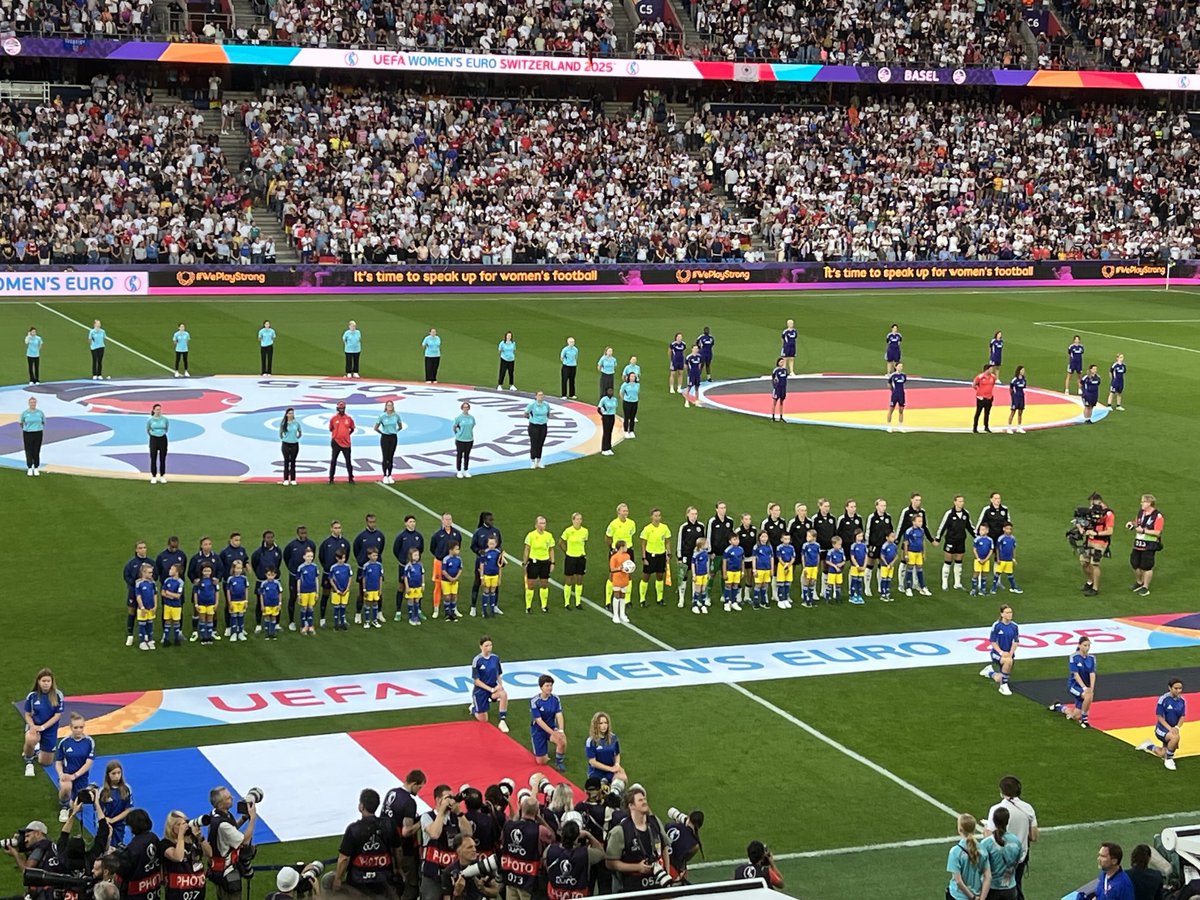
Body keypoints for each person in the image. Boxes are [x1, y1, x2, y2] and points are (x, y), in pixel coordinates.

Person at [983, 776, 1038, 900]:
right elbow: (1034, 836)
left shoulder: (996, 809)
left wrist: (986, 828)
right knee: (1016, 886)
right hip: (1019, 857)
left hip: (998, 857)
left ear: (1002, 791)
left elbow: (990, 838)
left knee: (995, 889)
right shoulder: (1028, 809)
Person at [606, 787, 669, 892]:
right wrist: (637, 867)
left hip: (658, 883)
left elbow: (665, 847)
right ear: (631, 806)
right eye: (640, 800)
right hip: (633, 887)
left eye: (645, 799)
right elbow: (610, 863)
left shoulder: (655, 822)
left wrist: (666, 873)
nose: (644, 802)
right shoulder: (620, 831)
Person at [335, 789, 393, 896]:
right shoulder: (388, 825)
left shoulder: (353, 829)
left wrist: (338, 879)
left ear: (361, 806)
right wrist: (398, 869)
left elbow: (344, 858)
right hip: (383, 878)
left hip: (358, 881)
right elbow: (397, 850)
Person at [207, 785, 258, 900]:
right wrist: (253, 819)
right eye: (228, 798)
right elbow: (245, 841)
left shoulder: (217, 814)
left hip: (218, 869)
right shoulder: (223, 824)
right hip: (227, 871)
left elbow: (233, 829)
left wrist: (244, 818)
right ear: (220, 803)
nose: (233, 798)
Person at [383, 770, 427, 900]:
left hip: (387, 846)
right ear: (414, 783)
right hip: (405, 851)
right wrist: (422, 822)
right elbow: (406, 831)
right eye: (419, 787)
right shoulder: (409, 802)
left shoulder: (392, 792)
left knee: (392, 884)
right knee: (410, 886)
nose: (419, 791)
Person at [1137, 677, 1186, 771]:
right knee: (1175, 738)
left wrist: (1177, 727)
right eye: (1176, 688)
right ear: (1170, 688)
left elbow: (1182, 716)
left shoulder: (1182, 701)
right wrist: (1170, 728)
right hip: (1161, 729)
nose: (1179, 691)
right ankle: (1169, 759)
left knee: (1162, 753)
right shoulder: (1163, 699)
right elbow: (1159, 716)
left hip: (1172, 729)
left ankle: (1148, 745)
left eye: (1180, 688)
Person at [162, 810, 212, 900]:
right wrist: (180, 835)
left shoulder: (193, 839)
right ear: (171, 828)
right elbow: (179, 857)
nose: (184, 826)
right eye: (179, 825)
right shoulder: (166, 844)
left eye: (185, 822)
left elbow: (209, 854)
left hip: (197, 891)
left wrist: (200, 837)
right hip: (177, 894)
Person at [22, 668, 63, 778]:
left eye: (48, 681)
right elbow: (27, 714)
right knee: (30, 739)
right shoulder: (32, 696)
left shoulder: (58, 695)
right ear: (38, 682)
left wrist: (43, 727)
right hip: (35, 727)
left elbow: (57, 715)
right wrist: (33, 726)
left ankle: (36, 749)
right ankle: (29, 761)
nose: (46, 684)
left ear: (52, 682)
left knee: (46, 762)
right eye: (43, 681)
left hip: (49, 729)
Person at [54, 713, 95, 822]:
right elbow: (58, 762)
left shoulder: (89, 742)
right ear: (71, 728)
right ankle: (64, 806)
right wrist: (61, 774)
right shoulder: (64, 742)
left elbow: (88, 763)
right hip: (67, 775)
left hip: (81, 777)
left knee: (78, 808)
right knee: (66, 787)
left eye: (81, 727)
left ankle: (72, 800)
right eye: (76, 727)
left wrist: (75, 775)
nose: (78, 730)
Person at [1052, 637, 1096, 728]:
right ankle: (1084, 719)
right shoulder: (1074, 657)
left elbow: (1092, 674)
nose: (1087, 648)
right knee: (1088, 696)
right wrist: (1084, 688)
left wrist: (1091, 688)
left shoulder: (1092, 658)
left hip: (1084, 687)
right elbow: (1076, 675)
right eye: (1085, 645)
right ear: (1079, 645)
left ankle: (1059, 707)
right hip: (1074, 686)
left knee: (1075, 715)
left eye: (1088, 645)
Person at [947, 813, 991, 900]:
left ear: (960, 829)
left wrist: (972, 897)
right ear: (974, 829)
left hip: (958, 896)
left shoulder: (955, 851)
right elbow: (988, 877)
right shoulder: (982, 849)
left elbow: (958, 881)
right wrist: (981, 898)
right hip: (977, 893)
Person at [980, 806, 1021, 900]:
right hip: (1010, 887)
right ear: (1007, 821)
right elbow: (1017, 862)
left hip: (992, 888)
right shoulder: (1016, 841)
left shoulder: (987, 843)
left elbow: (981, 866)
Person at [471, 636, 509, 732]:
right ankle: (474, 709)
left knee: (503, 694)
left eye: (490, 645)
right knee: (484, 720)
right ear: (481, 647)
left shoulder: (495, 658)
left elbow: (498, 674)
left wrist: (500, 685)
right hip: (481, 690)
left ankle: (502, 721)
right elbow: (476, 681)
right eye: (486, 645)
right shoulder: (477, 660)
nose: (489, 647)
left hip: (493, 687)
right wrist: (490, 689)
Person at [936, 495, 974, 592]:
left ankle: (957, 583)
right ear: (955, 502)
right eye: (959, 501)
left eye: (962, 501)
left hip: (961, 541)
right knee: (948, 561)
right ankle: (944, 583)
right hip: (950, 541)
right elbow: (942, 526)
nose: (961, 503)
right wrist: (938, 538)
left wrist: (977, 537)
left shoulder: (966, 514)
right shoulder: (949, 514)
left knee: (959, 562)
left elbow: (970, 527)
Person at [1129, 494, 1164, 597]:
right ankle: (1139, 582)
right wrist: (1132, 524)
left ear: (1149, 503)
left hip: (1150, 544)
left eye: (1143, 501)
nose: (1141, 503)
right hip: (1138, 543)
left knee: (1147, 566)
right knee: (1135, 563)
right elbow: (1137, 523)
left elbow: (1158, 532)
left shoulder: (1157, 516)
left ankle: (1145, 587)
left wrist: (1144, 531)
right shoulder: (1141, 512)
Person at [1080, 492, 1114, 597]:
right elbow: (1085, 522)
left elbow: (1110, 531)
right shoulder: (1092, 511)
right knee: (1084, 562)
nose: (1090, 506)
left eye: (1092, 503)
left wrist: (1096, 533)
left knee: (1095, 564)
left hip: (1100, 543)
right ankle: (1090, 581)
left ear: (1099, 502)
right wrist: (1080, 527)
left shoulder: (1108, 514)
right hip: (1089, 541)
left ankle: (1095, 588)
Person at [980, 603, 1018, 696]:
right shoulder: (997, 626)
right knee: (1008, 662)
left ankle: (989, 672)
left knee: (999, 677)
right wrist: (1001, 652)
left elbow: (1016, 641)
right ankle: (1003, 686)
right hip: (997, 654)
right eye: (1007, 612)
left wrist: (1010, 653)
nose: (1010, 614)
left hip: (1008, 654)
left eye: (1011, 612)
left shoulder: (1014, 626)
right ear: (1002, 614)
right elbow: (993, 641)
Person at [431, 514, 464, 619]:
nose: (448, 521)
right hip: (439, 562)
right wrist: (440, 556)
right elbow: (432, 548)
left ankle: (454, 608)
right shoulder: (437, 534)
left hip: (453, 562)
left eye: (450, 519)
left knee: (453, 585)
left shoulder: (456, 534)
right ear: (442, 520)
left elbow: (459, 546)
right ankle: (436, 608)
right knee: (438, 586)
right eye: (446, 519)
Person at [283, 526, 316, 631]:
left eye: (305, 533)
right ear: (297, 534)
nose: (303, 535)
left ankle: (306, 620)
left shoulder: (311, 544)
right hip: (294, 576)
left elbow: (312, 556)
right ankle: (291, 621)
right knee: (293, 597)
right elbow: (286, 557)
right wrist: (291, 568)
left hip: (307, 577)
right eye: (301, 533)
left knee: (307, 598)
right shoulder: (291, 545)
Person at [531, 674, 567, 770]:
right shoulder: (535, 701)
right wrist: (553, 733)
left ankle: (559, 762)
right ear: (541, 687)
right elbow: (539, 721)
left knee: (562, 741)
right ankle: (543, 752)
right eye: (547, 686)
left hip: (551, 727)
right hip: (538, 731)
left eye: (551, 686)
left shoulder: (555, 699)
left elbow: (559, 714)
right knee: (541, 762)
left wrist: (561, 731)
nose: (550, 688)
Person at [393, 517, 426, 622]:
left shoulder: (418, 536)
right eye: (410, 522)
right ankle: (398, 611)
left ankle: (418, 610)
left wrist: (416, 559)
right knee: (402, 587)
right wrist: (402, 560)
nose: (412, 524)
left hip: (416, 566)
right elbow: (395, 550)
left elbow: (421, 549)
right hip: (404, 566)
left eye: (414, 521)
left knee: (417, 587)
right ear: (406, 523)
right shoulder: (401, 536)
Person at [639, 508, 671, 608]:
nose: (657, 518)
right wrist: (644, 558)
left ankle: (660, 598)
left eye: (659, 515)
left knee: (660, 576)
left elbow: (667, 541)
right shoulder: (647, 529)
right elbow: (643, 544)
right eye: (655, 516)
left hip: (661, 555)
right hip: (650, 555)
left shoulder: (664, 528)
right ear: (651, 517)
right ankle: (642, 599)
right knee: (646, 576)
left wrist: (668, 552)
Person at [675, 507, 707, 609]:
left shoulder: (701, 526)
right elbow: (680, 541)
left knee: (696, 577)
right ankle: (681, 598)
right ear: (687, 515)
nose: (694, 516)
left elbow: (703, 541)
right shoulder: (684, 527)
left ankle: (695, 598)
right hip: (686, 554)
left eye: (696, 514)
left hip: (697, 555)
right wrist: (679, 556)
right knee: (683, 576)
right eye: (692, 514)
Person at [98, 761, 134, 848]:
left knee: (117, 847)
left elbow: (128, 809)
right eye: (113, 773)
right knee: (104, 846)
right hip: (105, 824)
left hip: (119, 824)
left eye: (119, 773)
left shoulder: (126, 789)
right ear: (108, 775)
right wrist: (104, 821)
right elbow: (98, 809)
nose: (117, 776)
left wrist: (113, 820)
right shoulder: (103, 791)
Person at [523, 517, 555, 613]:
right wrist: (525, 562)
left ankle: (544, 606)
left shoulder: (549, 536)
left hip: (545, 562)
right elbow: (527, 549)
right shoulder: (531, 535)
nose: (543, 525)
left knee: (544, 583)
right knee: (531, 584)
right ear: (536, 524)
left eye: (544, 523)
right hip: (533, 562)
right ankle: (528, 606)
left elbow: (551, 550)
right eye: (541, 523)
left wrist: (552, 562)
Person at [585, 712, 626, 784]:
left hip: (611, 770)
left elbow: (617, 753)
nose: (604, 726)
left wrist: (617, 764)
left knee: (623, 778)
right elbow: (592, 762)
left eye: (605, 723)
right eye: (601, 723)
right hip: (596, 772)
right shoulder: (591, 741)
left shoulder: (613, 738)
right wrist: (610, 769)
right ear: (595, 725)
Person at [560, 512, 588, 610]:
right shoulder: (568, 531)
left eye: (580, 519)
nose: (579, 521)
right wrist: (567, 552)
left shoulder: (585, 531)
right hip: (570, 558)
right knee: (569, 580)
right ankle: (567, 603)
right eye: (577, 519)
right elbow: (561, 542)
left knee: (579, 579)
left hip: (580, 558)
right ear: (573, 520)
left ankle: (578, 602)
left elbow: (584, 542)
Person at [902, 513, 932, 596]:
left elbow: (923, 542)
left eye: (921, 521)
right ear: (913, 522)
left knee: (920, 569)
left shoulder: (922, 530)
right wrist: (906, 555)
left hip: (918, 553)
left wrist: (924, 553)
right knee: (910, 569)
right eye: (919, 521)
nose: (921, 523)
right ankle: (908, 588)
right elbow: (905, 543)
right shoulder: (909, 531)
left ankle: (922, 587)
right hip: (911, 552)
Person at [375, 401, 403, 485]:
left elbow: (400, 426)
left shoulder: (396, 415)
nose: (390, 407)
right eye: (388, 405)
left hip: (393, 437)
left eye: (391, 405)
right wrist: (382, 433)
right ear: (386, 406)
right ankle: (384, 475)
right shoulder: (382, 416)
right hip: (385, 437)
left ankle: (390, 475)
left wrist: (395, 431)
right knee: (385, 456)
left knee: (391, 456)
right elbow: (376, 427)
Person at [329, 400, 355, 483]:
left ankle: (350, 478)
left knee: (348, 461)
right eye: (340, 408)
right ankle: (331, 478)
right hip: (336, 442)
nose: (341, 410)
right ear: (337, 409)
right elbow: (331, 428)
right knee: (334, 460)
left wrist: (346, 434)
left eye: (343, 408)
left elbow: (352, 428)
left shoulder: (349, 418)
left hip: (346, 443)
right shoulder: (333, 419)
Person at [19, 396, 45, 477]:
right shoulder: (25, 413)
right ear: (29, 403)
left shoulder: (40, 413)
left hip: (38, 433)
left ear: (36, 403)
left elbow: (43, 422)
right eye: (31, 403)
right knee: (29, 450)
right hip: (28, 433)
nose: (33, 404)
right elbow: (21, 422)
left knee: (36, 450)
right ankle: (30, 467)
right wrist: (26, 428)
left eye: (34, 402)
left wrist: (37, 428)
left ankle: (36, 467)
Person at [134, 562, 158, 650]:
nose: (151, 574)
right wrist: (142, 607)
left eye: (152, 572)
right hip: (142, 608)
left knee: (150, 624)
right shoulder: (139, 583)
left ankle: (150, 640)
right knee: (142, 624)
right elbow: (138, 596)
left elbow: (155, 594)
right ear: (143, 573)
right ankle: (142, 641)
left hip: (151, 607)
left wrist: (155, 606)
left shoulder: (153, 583)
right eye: (149, 572)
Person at [296, 547, 319, 635]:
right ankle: (303, 626)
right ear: (304, 557)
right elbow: (298, 580)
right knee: (304, 608)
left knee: (311, 608)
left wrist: (317, 592)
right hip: (304, 591)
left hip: (312, 591)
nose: (310, 558)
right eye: (308, 556)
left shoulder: (314, 566)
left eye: (311, 556)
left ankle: (310, 625)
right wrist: (298, 593)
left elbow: (316, 579)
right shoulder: (301, 567)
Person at [525, 392, 551, 469]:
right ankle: (533, 461)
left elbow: (548, 413)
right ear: (536, 396)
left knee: (540, 443)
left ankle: (539, 460)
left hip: (543, 426)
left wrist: (544, 420)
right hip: (534, 426)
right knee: (534, 443)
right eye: (539, 395)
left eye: (542, 395)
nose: (541, 397)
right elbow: (526, 413)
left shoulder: (546, 404)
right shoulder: (532, 405)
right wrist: (532, 419)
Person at [145, 403, 169, 485]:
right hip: (154, 439)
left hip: (162, 439)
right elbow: (148, 429)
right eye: (157, 409)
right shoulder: (150, 420)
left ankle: (162, 476)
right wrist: (154, 434)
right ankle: (154, 476)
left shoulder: (165, 419)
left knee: (163, 458)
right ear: (153, 410)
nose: (158, 411)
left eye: (160, 409)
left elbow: (166, 429)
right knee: (153, 457)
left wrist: (160, 433)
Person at [329, 551, 353, 631]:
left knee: (343, 607)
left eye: (343, 558)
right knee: (336, 608)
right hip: (336, 592)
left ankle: (342, 623)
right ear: (337, 558)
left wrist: (347, 588)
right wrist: (336, 589)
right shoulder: (333, 567)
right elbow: (331, 580)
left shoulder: (348, 567)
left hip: (345, 591)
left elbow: (350, 578)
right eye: (340, 558)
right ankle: (336, 625)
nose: (342, 560)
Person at [610, 541, 632, 624]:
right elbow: (612, 569)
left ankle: (622, 614)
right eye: (625, 546)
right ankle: (615, 615)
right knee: (616, 595)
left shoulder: (627, 556)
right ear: (621, 547)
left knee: (623, 596)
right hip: (617, 578)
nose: (627, 548)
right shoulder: (614, 557)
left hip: (625, 578)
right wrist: (620, 568)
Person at [440, 544, 463, 623]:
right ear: (451, 550)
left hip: (455, 581)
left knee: (454, 596)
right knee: (447, 597)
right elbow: (443, 571)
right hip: (446, 581)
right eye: (456, 549)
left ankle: (452, 613)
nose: (458, 551)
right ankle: (447, 614)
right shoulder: (446, 559)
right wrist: (450, 578)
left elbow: (460, 569)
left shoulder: (459, 559)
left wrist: (456, 578)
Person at [453, 401, 476, 479]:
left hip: (469, 439)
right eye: (464, 407)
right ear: (462, 408)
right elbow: (455, 427)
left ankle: (465, 470)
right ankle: (459, 471)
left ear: (469, 408)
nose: (465, 408)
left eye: (467, 407)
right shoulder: (459, 418)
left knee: (467, 455)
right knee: (459, 455)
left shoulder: (471, 418)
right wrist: (458, 434)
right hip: (460, 440)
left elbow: (472, 426)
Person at [973, 363, 998, 433]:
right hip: (981, 398)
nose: (992, 370)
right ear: (987, 369)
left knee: (987, 413)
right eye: (991, 369)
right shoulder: (980, 377)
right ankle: (975, 427)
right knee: (978, 412)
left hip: (989, 397)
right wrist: (979, 392)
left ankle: (986, 426)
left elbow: (992, 384)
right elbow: (974, 385)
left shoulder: (993, 377)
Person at [279, 407, 301, 486]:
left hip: (294, 444)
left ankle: (293, 479)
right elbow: (280, 434)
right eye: (290, 413)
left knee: (293, 462)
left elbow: (300, 432)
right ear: (287, 414)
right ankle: (285, 479)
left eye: (292, 413)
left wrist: (295, 438)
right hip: (286, 444)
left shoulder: (296, 423)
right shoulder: (283, 423)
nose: (291, 414)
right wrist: (286, 439)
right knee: (286, 461)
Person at [971, 524, 994, 597]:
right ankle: (973, 590)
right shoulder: (977, 539)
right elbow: (974, 550)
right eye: (980, 530)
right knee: (976, 574)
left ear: (987, 531)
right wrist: (978, 559)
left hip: (986, 560)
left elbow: (991, 550)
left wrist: (986, 559)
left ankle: (982, 590)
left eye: (983, 530)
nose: (981, 531)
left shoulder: (990, 540)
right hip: (978, 560)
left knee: (984, 575)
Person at [403, 549, 425, 626]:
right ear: (410, 556)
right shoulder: (408, 566)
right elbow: (405, 577)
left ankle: (416, 617)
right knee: (411, 601)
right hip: (411, 587)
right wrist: (407, 587)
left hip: (418, 587)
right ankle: (411, 618)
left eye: (418, 555)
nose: (417, 557)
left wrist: (423, 584)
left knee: (417, 602)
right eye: (415, 555)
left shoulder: (420, 565)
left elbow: (422, 574)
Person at [1007, 365, 1027, 433]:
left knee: (1020, 412)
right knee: (1013, 412)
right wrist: (1013, 396)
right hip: (1016, 397)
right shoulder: (1014, 380)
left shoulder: (1024, 379)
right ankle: (1009, 427)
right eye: (1022, 370)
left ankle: (1019, 427)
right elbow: (1011, 388)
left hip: (1021, 397)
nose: (1023, 372)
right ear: (1019, 371)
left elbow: (1024, 387)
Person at [887, 363, 906, 431]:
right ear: (896, 367)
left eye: (901, 366)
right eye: (899, 366)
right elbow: (889, 384)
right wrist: (893, 391)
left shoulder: (903, 375)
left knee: (901, 410)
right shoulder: (893, 375)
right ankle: (889, 426)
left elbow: (903, 383)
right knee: (891, 409)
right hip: (895, 394)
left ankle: (900, 426)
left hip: (901, 394)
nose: (901, 368)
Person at [598, 388, 617, 456]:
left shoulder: (614, 399)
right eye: (609, 391)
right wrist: (603, 415)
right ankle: (604, 449)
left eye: (612, 391)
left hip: (612, 416)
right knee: (606, 432)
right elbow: (599, 409)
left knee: (610, 432)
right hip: (606, 417)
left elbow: (615, 407)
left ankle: (609, 448)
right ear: (606, 392)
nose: (611, 392)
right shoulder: (604, 399)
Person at [620, 374, 640, 438]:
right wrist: (624, 399)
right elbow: (621, 393)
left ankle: (631, 430)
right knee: (626, 417)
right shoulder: (625, 385)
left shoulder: (637, 385)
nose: (633, 378)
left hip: (634, 402)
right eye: (631, 376)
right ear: (629, 377)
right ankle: (626, 431)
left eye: (634, 376)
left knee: (632, 417)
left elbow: (637, 392)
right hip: (627, 402)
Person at [770, 357, 788, 423]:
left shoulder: (785, 370)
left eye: (783, 362)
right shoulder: (776, 370)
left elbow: (785, 378)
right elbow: (773, 378)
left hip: (783, 388)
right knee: (775, 402)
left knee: (781, 402)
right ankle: (773, 416)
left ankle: (781, 416)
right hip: (777, 388)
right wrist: (775, 386)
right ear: (778, 363)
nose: (782, 363)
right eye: (781, 362)